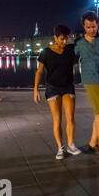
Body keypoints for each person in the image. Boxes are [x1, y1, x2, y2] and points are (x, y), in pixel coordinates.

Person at [34, 25, 81, 160]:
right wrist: (36, 89)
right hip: (53, 88)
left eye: (66, 38)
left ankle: (71, 145)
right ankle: (60, 148)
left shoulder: (70, 50)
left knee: (70, 118)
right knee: (57, 119)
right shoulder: (46, 52)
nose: (65, 42)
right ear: (55, 37)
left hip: (67, 86)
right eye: (62, 39)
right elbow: (39, 71)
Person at [75, 11, 99, 154]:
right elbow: (69, 59)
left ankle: (92, 143)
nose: (91, 30)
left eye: (93, 26)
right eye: (88, 27)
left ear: (97, 24)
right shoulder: (79, 43)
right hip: (89, 78)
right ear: (83, 27)